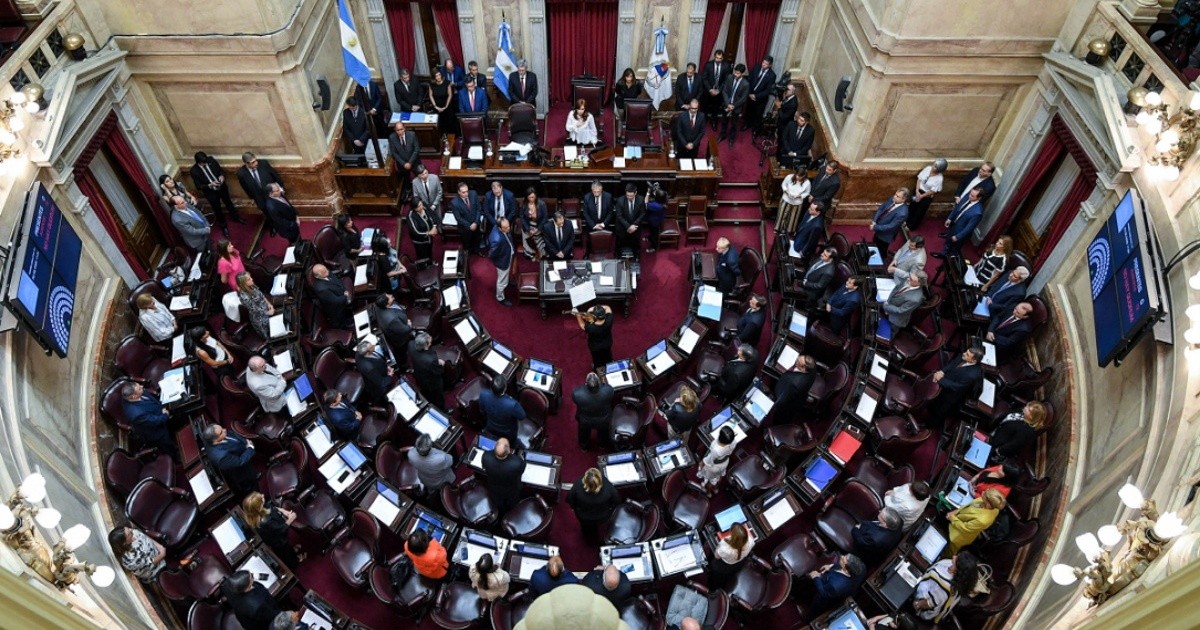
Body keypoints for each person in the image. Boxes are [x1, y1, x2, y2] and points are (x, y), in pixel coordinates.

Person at [912, 552, 980, 624]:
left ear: (958, 569)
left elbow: (924, 604)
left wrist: (916, 604)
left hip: (921, 610)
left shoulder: (945, 589)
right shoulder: (958, 579)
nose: (953, 556)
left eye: (956, 558)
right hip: (922, 586)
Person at [242, 491, 304, 568]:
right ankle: (296, 560)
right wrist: (291, 518)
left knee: (288, 547)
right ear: (259, 506)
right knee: (286, 552)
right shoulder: (265, 521)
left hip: (275, 530)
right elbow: (281, 530)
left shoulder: (256, 511)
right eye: (261, 498)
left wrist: (283, 511)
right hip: (278, 540)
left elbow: (271, 507)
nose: (263, 495)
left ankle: (293, 550)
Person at [120, 382, 178, 460]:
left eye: (139, 385)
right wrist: (165, 415)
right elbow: (155, 422)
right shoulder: (137, 414)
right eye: (139, 388)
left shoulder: (138, 393)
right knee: (168, 446)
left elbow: (153, 400)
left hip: (157, 412)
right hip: (155, 431)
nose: (142, 386)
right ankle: (176, 457)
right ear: (133, 396)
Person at [929, 346, 986, 424]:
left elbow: (956, 386)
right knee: (933, 403)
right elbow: (951, 364)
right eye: (966, 352)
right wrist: (942, 372)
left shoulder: (972, 375)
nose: (964, 353)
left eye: (967, 355)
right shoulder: (963, 356)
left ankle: (929, 425)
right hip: (946, 379)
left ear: (974, 360)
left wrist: (940, 379)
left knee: (939, 412)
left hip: (950, 394)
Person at [567, 468, 620, 544]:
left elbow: (570, 499)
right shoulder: (607, 486)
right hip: (602, 517)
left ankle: (587, 538)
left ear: (585, 480)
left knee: (585, 529)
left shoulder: (578, 485)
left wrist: (573, 508)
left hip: (583, 517)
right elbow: (616, 500)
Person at [203, 424, 258, 496]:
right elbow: (240, 461)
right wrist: (250, 447)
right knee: (253, 488)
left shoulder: (220, 435)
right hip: (243, 473)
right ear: (215, 440)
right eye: (221, 432)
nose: (225, 430)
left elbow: (234, 436)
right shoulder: (221, 457)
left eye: (222, 428)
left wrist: (245, 441)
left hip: (243, 455)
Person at [191, 151, 243, 227]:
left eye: (206, 162)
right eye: (203, 163)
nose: (206, 164)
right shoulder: (194, 171)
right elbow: (198, 186)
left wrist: (222, 176)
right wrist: (210, 185)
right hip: (210, 192)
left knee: (229, 203)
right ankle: (223, 224)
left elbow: (220, 170)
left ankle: (236, 217)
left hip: (222, 187)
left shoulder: (211, 160)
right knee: (217, 209)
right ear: (198, 162)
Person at [808, 553, 868, 618]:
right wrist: (831, 566)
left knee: (813, 612)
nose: (841, 556)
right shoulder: (862, 567)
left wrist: (816, 577)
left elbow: (824, 593)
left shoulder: (837, 586)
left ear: (846, 569)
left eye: (843, 559)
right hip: (835, 587)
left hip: (824, 598)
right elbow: (842, 567)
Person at [947, 489, 1005, 554]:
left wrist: (952, 518)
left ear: (989, 504)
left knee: (948, 551)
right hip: (956, 519)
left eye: (985, 494)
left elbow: (965, 528)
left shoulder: (982, 520)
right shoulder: (991, 505)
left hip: (956, 535)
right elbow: (968, 506)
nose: (983, 492)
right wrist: (955, 512)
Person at [481, 438, 525, 515]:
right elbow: (521, 470)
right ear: (508, 450)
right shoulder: (517, 462)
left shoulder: (485, 456)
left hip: (494, 488)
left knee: (499, 504)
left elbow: (484, 467)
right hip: (512, 490)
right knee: (513, 505)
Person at [572, 372, 615, 450]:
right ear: (599, 382)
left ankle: (584, 447)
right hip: (604, 419)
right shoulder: (608, 390)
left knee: (583, 434)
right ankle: (602, 445)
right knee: (603, 433)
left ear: (586, 383)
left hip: (585, 420)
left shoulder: (577, 393)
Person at [709, 521, 755, 589]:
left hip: (723, 566)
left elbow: (717, 556)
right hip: (738, 564)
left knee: (715, 574)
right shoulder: (751, 541)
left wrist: (719, 545)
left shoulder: (725, 547)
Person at [480, 375, 525, 444]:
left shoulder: (483, 394)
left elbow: (482, 411)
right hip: (507, 433)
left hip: (490, 427)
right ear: (505, 388)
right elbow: (522, 416)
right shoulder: (512, 404)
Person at [774, 354, 817, 423]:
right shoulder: (813, 367)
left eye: (797, 362)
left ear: (803, 369)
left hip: (787, 409)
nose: (795, 361)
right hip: (800, 396)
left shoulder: (792, 383)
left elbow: (781, 402)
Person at [942, 187, 984, 256]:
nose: (969, 196)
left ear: (979, 198)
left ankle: (947, 258)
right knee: (948, 241)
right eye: (970, 194)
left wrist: (958, 236)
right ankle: (944, 252)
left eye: (972, 196)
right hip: (954, 224)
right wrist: (950, 218)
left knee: (954, 249)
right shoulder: (967, 197)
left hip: (959, 231)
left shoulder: (978, 212)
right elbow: (957, 208)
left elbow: (969, 228)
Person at [309, 264, 352, 329]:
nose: (328, 271)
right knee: (343, 325)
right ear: (317, 276)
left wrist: (344, 289)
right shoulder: (322, 289)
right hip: (337, 311)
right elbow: (335, 301)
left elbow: (337, 280)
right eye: (324, 272)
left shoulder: (326, 272)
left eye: (326, 269)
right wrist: (345, 296)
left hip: (340, 294)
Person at [409, 332, 446, 408]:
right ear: (425, 346)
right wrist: (441, 364)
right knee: (437, 397)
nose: (431, 343)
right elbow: (439, 371)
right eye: (430, 343)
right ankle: (443, 410)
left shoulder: (411, 344)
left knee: (427, 393)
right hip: (431, 382)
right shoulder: (431, 361)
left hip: (418, 375)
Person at [697, 425, 737, 495]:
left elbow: (708, 461)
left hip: (714, 467)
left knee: (710, 479)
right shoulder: (734, 442)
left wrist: (701, 463)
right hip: (725, 462)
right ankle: (715, 489)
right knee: (719, 476)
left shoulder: (716, 449)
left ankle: (708, 492)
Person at [908, 159, 947, 229]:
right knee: (912, 207)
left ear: (939, 169)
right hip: (918, 191)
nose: (932, 167)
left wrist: (922, 196)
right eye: (934, 164)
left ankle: (911, 226)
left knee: (919, 212)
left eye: (935, 167)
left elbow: (933, 191)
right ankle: (906, 221)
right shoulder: (927, 168)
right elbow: (919, 179)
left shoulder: (940, 178)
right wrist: (917, 191)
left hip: (926, 196)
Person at [870, 188, 910, 255]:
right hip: (878, 227)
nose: (894, 197)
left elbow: (891, 226)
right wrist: (874, 221)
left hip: (885, 235)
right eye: (895, 194)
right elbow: (881, 208)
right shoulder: (892, 199)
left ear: (904, 199)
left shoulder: (902, 213)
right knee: (874, 243)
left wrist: (875, 227)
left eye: (898, 196)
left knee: (881, 250)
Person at [376, 293, 413, 366]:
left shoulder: (381, 305)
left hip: (400, 320)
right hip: (401, 340)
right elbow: (404, 330)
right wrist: (409, 325)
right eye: (389, 297)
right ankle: (404, 365)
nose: (390, 295)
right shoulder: (391, 320)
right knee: (402, 353)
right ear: (387, 304)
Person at [354, 338, 393, 407]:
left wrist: (385, 366)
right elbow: (381, 383)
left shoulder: (358, 352)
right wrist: (390, 375)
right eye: (372, 346)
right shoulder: (369, 368)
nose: (374, 345)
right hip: (378, 386)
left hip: (379, 371)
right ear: (367, 352)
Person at [236, 272, 274, 341]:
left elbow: (261, 295)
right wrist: (269, 313)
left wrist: (269, 304)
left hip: (266, 309)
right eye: (248, 279)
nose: (251, 279)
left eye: (250, 277)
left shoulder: (251, 286)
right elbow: (255, 310)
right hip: (260, 319)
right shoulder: (244, 297)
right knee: (271, 334)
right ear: (243, 284)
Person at [388, 121, 420, 201]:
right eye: (398, 130)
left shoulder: (412, 135)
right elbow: (394, 153)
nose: (400, 132)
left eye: (401, 129)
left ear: (404, 128)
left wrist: (410, 162)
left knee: (419, 175)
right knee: (406, 179)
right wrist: (403, 163)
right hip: (402, 164)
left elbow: (416, 149)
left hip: (414, 161)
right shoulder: (392, 137)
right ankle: (408, 191)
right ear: (395, 130)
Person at [717, 63, 749, 145]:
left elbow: (743, 98)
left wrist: (733, 106)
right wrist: (728, 104)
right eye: (735, 72)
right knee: (724, 121)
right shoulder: (729, 77)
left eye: (738, 73)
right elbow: (724, 91)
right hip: (726, 104)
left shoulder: (746, 84)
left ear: (742, 73)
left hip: (736, 107)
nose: (735, 74)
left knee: (734, 124)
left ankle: (731, 139)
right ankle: (722, 135)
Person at [487, 217, 515, 306]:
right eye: (506, 228)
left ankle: (507, 281)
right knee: (501, 281)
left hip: (507, 255)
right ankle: (500, 297)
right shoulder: (497, 240)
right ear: (500, 228)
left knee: (505, 276)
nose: (509, 229)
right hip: (503, 261)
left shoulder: (500, 227)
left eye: (508, 226)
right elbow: (491, 254)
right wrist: (500, 260)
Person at [744, 55, 776, 131]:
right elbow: (749, 79)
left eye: (766, 64)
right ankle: (747, 124)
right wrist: (749, 93)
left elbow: (768, 90)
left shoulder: (772, 75)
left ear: (770, 65)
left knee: (758, 114)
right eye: (763, 62)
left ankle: (755, 130)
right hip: (750, 94)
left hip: (760, 99)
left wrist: (756, 96)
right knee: (749, 111)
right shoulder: (756, 67)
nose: (763, 64)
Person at [614, 183, 645, 260]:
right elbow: (619, 216)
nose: (629, 198)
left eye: (631, 196)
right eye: (627, 195)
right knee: (620, 242)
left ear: (636, 193)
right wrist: (628, 226)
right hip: (623, 226)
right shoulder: (620, 200)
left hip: (635, 226)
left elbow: (642, 214)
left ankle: (636, 254)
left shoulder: (641, 200)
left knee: (635, 242)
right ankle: (618, 255)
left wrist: (634, 225)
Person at [452, 182, 484, 255]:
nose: (466, 194)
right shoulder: (454, 203)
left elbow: (478, 209)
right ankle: (468, 254)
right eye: (463, 192)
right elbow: (458, 218)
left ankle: (477, 250)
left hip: (476, 224)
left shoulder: (473, 194)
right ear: (459, 192)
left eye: (467, 191)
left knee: (477, 239)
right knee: (467, 242)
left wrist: (475, 223)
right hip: (465, 228)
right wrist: (470, 225)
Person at [778, 168, 811, 234]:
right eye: (797, 175)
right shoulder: (789, 177)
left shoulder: (807, 183)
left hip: (797, 202)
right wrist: (786, 191)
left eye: (800, 176)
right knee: (782, 215)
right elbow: (783, 184)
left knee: (793, 217)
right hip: (786, 199)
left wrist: (800, 196)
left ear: (804, 175)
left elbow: (807, 192)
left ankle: (789, 231)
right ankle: (779, 229)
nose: (798, 177)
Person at [518, 188, 548, 260]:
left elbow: (545, 217)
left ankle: (541, 255)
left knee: (539, 243)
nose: (532, 199)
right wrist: (528, 229)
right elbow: (522, 217)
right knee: (528, 242)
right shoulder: (524, 204)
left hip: (539, 226)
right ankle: (531, 254)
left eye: (533, 197)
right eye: (530, 197)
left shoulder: (541, 204)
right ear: (527, 197)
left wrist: (538, 229)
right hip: (527, 226)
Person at [701, 49, 730, 122]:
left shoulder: (726, 66)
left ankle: (714, 122)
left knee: (716, 107)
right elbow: (704, 78)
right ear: (714, 56)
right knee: (705, 106)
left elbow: (726, 80)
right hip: (708, 90)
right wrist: (710, 89)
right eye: (717, 58)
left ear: (722, 58)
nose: (718, 60)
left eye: (720, 58)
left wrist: (719, 90)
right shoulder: (708, 64)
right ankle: (704, 120)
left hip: (719, 91)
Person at [428, 69, 456, 136]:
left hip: (447, 107)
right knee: (440, 126)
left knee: (450, 124)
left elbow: (450, 95)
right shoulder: (431, 84)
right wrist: (435, 106)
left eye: (439, 75)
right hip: (437, 107)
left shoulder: (447, 82)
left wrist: (446, 106)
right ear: (434, 77)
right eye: (436, 76)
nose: (438, 77)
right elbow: (430, 95)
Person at [774, 83, 800, 153]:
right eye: (786, 89)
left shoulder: (793, 103)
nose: (786, 91)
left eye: (788, 90)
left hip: (785, 126)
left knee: (782, 142)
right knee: (779, 140)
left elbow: (784, 117)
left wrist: (779, 108)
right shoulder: (788, 97)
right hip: (781, 124)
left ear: (793, 91)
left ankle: (779, 157)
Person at [645, 188, 667, 252]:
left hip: (654, 222)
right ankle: (649, 238)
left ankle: (653, 247)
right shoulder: (663, 201)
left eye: (656, 194)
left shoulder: (656, 206)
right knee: (652, 232)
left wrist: (648, 193)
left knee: (654, 234)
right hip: (658, 219)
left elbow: (645, 203)